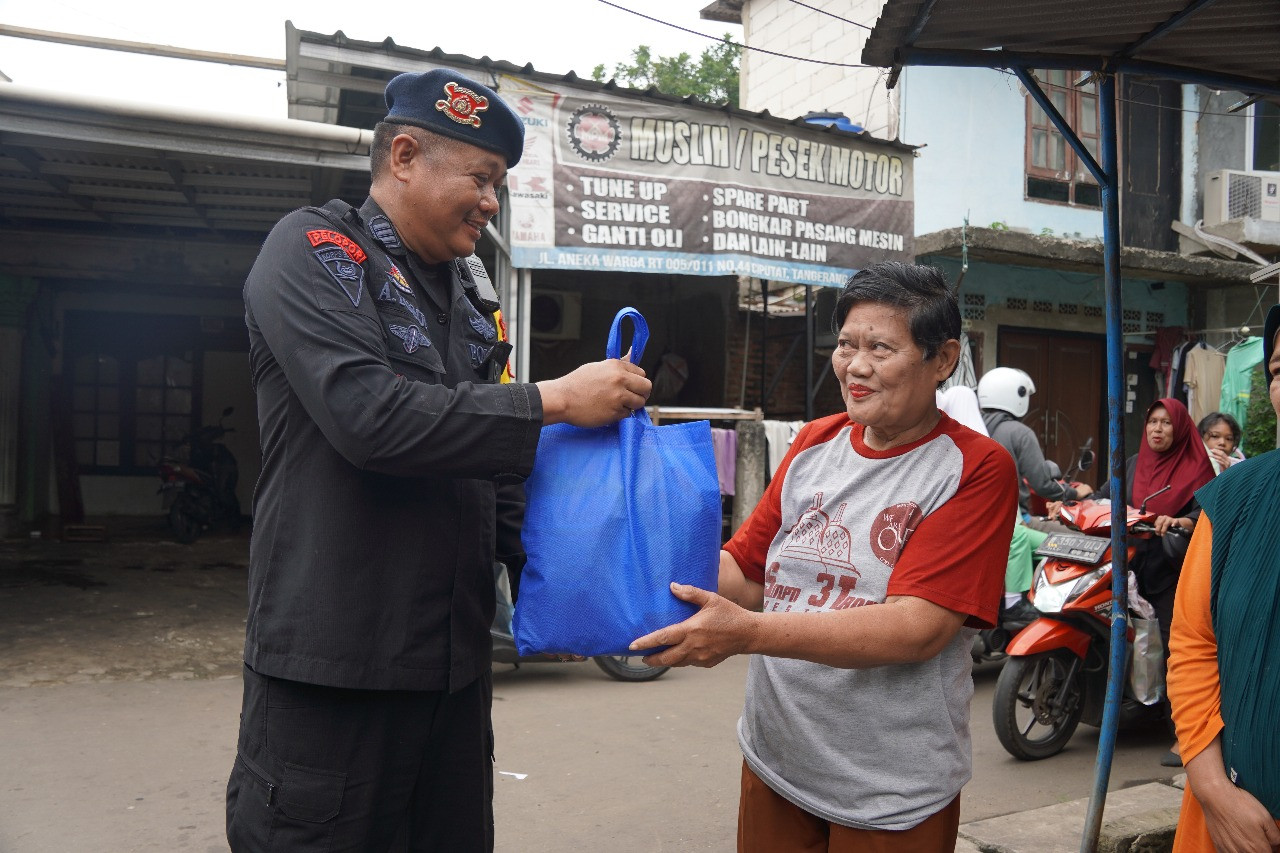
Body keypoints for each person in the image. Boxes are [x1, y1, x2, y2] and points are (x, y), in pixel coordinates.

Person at [226, 68, 651, 852]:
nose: (492, 202)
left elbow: (495, 469)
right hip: (335, 681)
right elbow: (371, 420)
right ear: (406, 156)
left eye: (499, 184)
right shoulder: (317, 251)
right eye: (481, 178)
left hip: (452, 682)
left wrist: (589, 589)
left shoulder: (469, 296)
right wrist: (555, 399)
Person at [631, 262, 1017, 852]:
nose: (855, 366)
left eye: (881, 348)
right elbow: (746, 573)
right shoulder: (814, 442)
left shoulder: (974, 469)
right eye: (845, 345)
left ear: (941, 360)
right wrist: (634, 574)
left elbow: (915, 628)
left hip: (890, 792)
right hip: (776, 760)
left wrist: (746, 635)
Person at [1168, 304, 1280, 853]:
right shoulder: (1234, 500)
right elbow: (1192, 645)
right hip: (1230, 825)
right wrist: (1214, 790)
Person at [1093, 396, 1215, 768]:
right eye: (1152, 422)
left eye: (1166, 423)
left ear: (1180, 429)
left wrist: (1181, 521)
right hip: (1128, 563)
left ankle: (1185, 734)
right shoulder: (1131, 464)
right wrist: (1075, 501)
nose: (1157, 430)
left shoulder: (1199, 469)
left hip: (1171, 570)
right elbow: (1103, 495)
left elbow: (1208, 510)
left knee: (1175, 647)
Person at [977, 367, 1091, 619]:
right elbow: (1042, 483)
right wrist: (1074, 493)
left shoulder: (972, 426)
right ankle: (1030, 603)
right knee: (1082, 546)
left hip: (979, 520)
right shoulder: (1019, 432)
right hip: (1011, 521)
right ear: (1017, 395)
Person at [1197, 411, 1244, 475]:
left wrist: (1227, 473)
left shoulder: (1240, 469)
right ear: (1201, 439)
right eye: (1215, 436)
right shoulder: (1191, 464)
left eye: (1229, 439)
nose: (1222, 442)